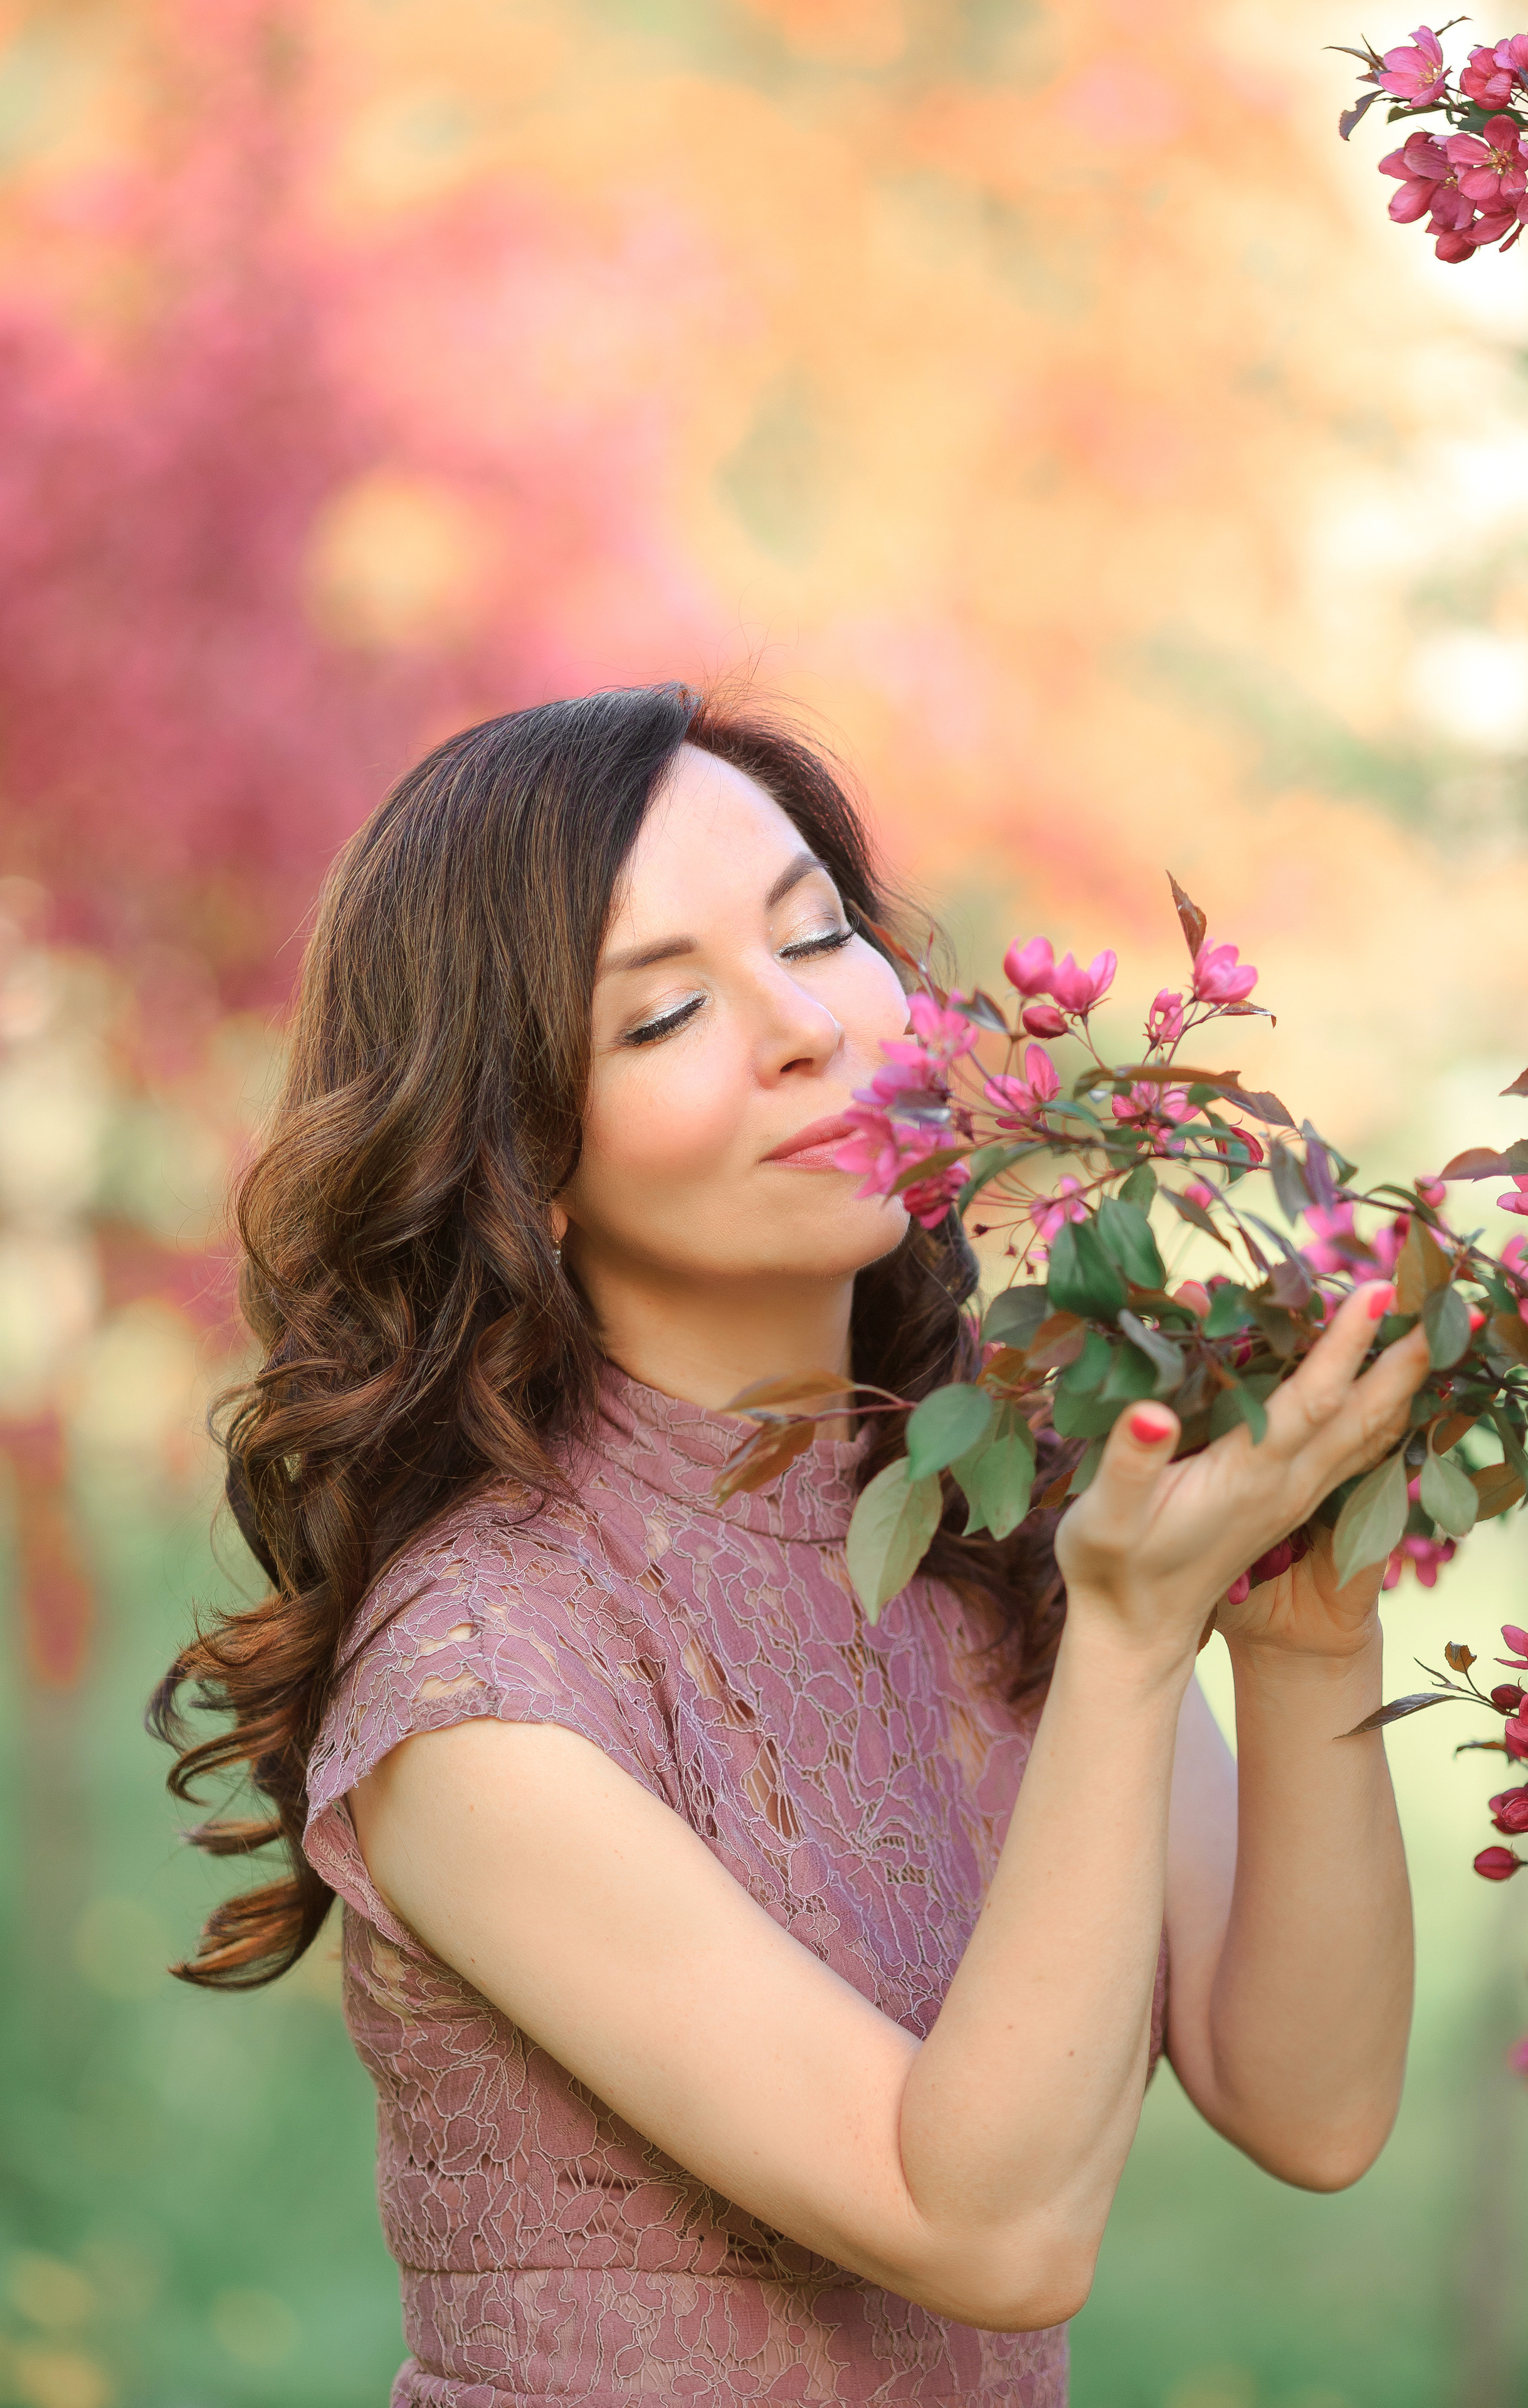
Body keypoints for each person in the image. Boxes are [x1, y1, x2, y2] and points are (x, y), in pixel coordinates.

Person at [154, 684, 1427, 2408]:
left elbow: (1314, 2105)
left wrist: (1302, 1647)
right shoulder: (483, 1678)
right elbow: (988, 2234)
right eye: (666, 1012)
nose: (808, 1027)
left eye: (818, 934)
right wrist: (1132, 1637)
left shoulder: (980, 1523)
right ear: (521, 1155)